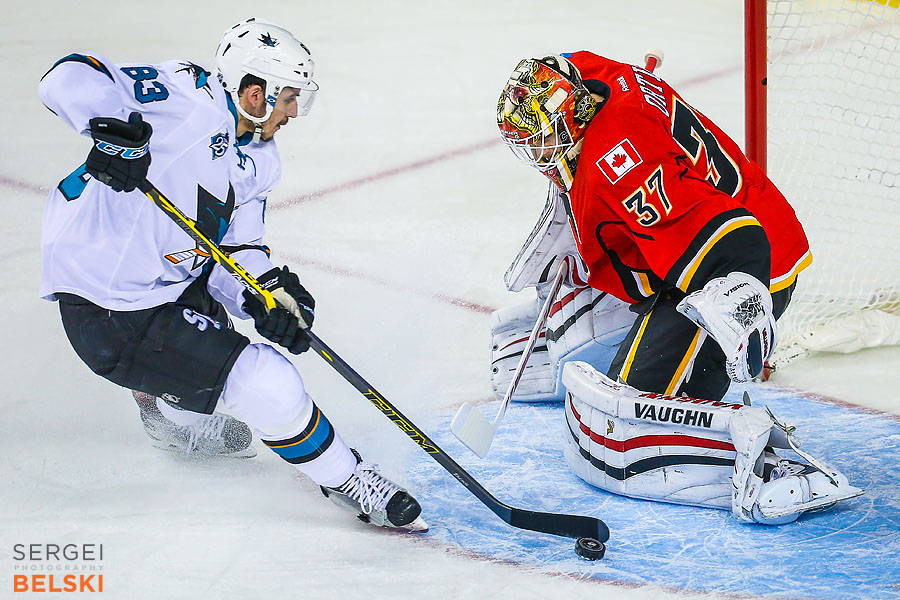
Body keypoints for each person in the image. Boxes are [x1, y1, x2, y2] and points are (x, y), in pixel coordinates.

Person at [38, 18, 425, 531]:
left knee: (217, 375)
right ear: (254, 92)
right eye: (289, 98)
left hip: (171, 281)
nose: (293, 112)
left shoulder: (261, 159)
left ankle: (170, 416)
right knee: (267, 383)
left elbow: (236, 249)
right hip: (111, 307)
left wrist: (268, 295)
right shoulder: (184, 98)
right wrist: (111, 135)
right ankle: (348, 479)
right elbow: (68, 76)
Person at [492, 52, 861, 524]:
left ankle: (772, 469)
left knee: (626, 425)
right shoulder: (593, 74)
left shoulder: (619, 163)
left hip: (740, 267)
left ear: (574, 115)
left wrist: (742, 304)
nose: (539, 150)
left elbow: (731, 241)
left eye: (545, 136)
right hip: (720, 224)